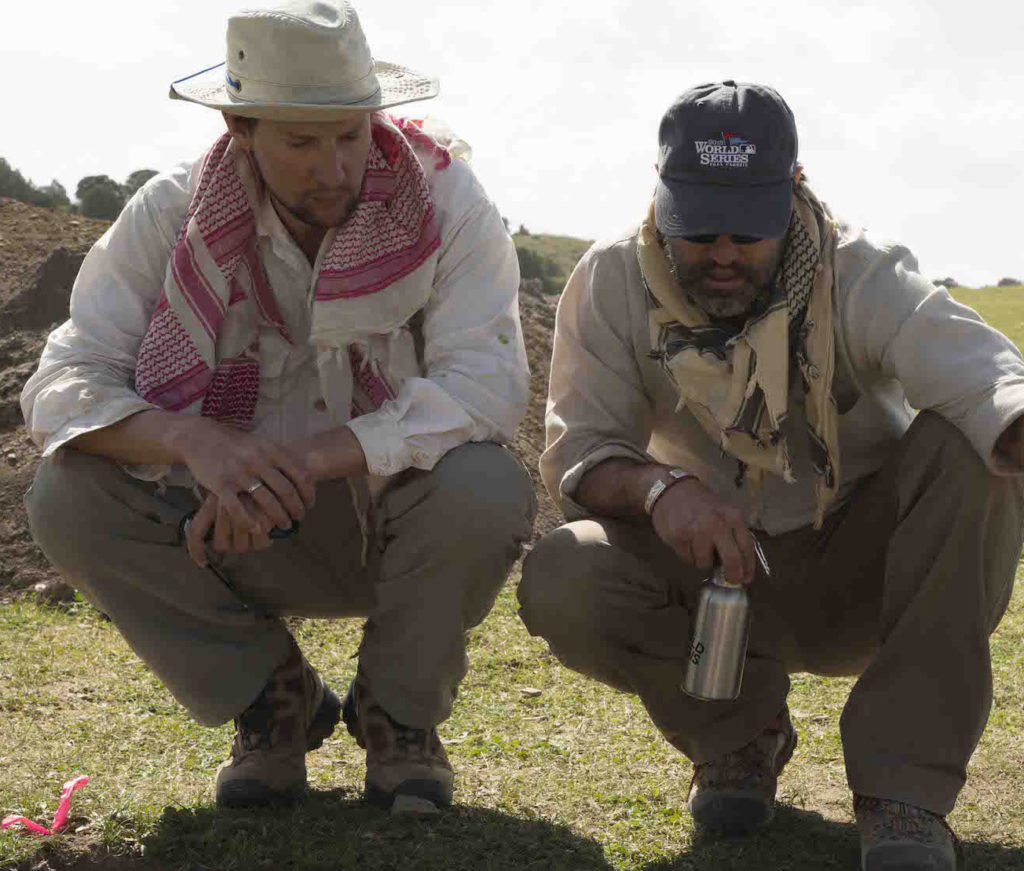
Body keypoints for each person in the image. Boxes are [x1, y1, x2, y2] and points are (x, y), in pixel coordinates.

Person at [21, 0, 535, 814]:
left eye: (351, 136)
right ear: (240, 126)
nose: (333, 168)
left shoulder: (448, 205)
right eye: (301, 142)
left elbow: (488, 387)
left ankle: (399, 718)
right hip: (219, 526)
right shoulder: (168, 213)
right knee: (65, 492)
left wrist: (303, 460)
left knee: (487, 485)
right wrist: (197, 444)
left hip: (392, 525)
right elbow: (59, 386)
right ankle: (274, 701)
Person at [517, 80, 1024, 870]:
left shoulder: (859, 271)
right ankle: (738, 737)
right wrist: (661, 489)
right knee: (563, 571)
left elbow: (982, 375)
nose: (722, 253)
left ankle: (905, 791)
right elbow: (580, 451)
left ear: (793, 192)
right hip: (712, 576)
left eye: (749, 230)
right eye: (699, 228)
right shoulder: (611, 280)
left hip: (867, 570)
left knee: (972, 443)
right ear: (661, 195)